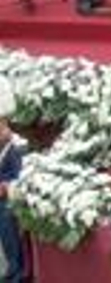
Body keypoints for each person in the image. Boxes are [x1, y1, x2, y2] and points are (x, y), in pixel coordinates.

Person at [0, 111, 26, 283]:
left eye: (2, 129)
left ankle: (17, 274)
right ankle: (11, 268)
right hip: (3, 199)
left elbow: (19, 177)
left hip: (11, 200)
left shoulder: (16, 149)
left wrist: (3, 186)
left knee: (9, 234)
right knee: (5, 238)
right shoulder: (4, 148)